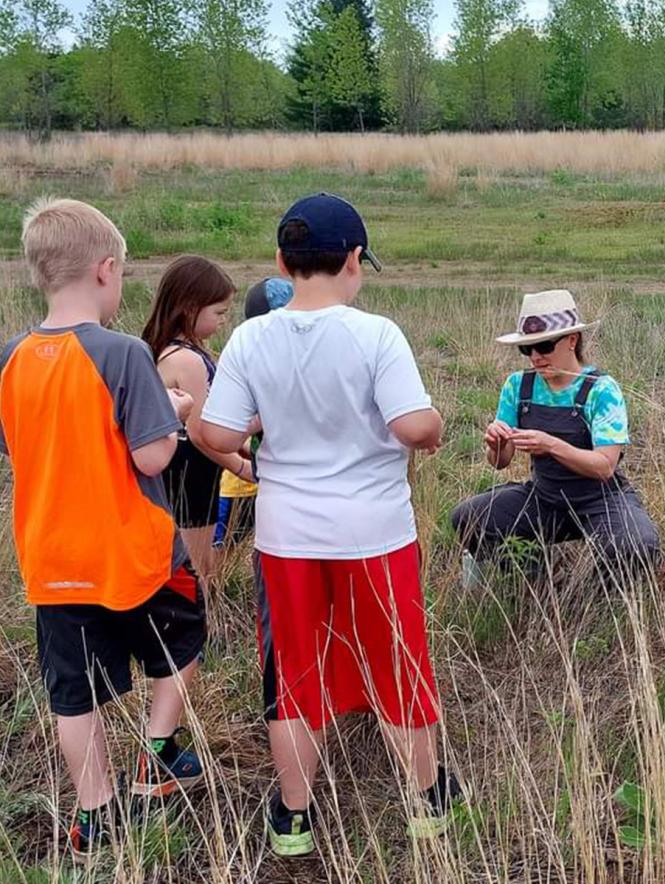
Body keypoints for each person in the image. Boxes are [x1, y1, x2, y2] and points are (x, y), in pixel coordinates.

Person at [199, 193, 462, 856]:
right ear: (353, 262)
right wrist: (432, 428)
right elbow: (411, 426)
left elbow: (220, 429)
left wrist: (243, 457)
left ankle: (293, 817)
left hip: (287, 538)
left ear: (283, 263)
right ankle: (426, 804)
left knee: (294, 672)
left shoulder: (249, 337)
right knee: (398, 663)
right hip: (374, 534)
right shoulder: (377, 335)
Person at [1, 199, 206, 857]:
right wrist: (169, 413)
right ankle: (156, 754)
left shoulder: (10, 357)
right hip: (133, 552)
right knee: (186, 637)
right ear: (105, 269)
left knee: (72, 696)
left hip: (51, 559)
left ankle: (94, 815)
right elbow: (151, 456)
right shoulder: (121, 354)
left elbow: (17, 445)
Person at [450, 289, 660, 585]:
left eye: (545, 346)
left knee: (637, 544)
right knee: (468, 518)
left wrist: (550, 444)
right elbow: (500, 463)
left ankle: (589, 598)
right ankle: (538, 581)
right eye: (527, 349)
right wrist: (495, 444)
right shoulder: (517, 386)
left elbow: (604, 467)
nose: (536, 357)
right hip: (544, 496)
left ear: (572, 340)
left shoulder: (602, 390)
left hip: (600, 500)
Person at [142, 256, 255, 583]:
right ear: (190, 308)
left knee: (199, 564)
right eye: (219, 312)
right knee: (199, 569)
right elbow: (201, 432)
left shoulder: (179, 350)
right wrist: (241, 466)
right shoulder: (187, 360)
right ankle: (203, 627)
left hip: (193, 469)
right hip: (191, 474)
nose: (224, 320)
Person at [212, 277, 293, 550]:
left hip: (275, 485)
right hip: (239, 483)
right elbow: (223, 429)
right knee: (225, 548)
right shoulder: (243, 361)